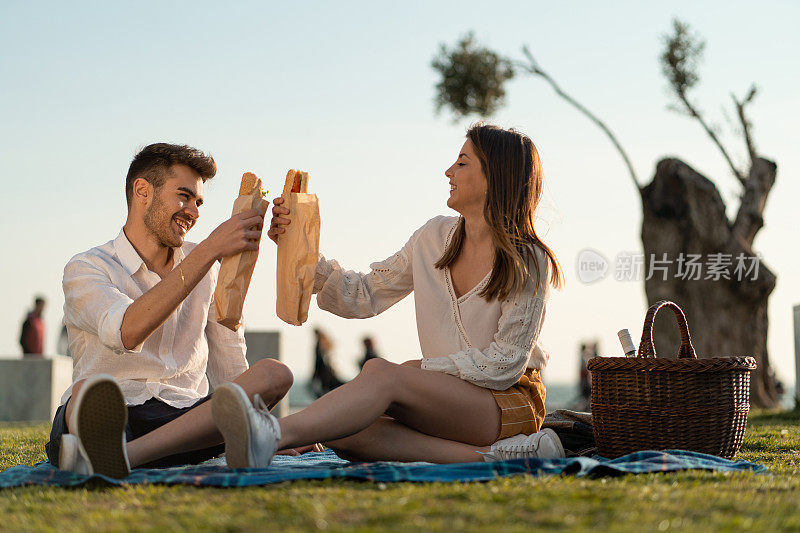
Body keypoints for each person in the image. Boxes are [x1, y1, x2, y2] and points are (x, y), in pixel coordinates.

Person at [212, 124, 566, 467]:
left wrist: (418, 370)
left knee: (378, 373)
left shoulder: (529, 258)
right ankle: (505, 455)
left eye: (462, 162)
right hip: (443, 402)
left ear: (496, 176)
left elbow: (504, 363)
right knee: (344, 431)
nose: (448, 171)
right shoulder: (433, 237)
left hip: (506, 403)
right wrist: (300, 253)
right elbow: (364, 295)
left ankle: (270, 434)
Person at [48, 143, 293, 479]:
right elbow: (126, 331)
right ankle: (100, 441)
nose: (193, 211)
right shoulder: (88, 267)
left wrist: (267, 428)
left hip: (185, 423)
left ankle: (119, 457)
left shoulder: (209, 269)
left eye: (198, 202)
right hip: (112, 412)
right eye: (184, 196)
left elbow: (230, 366)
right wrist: (209, 250)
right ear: (142, 191)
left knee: (275, 374)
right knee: (86, 396)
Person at [310, 328, 344, 398]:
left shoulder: (319, 345)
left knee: (323, 391)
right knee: (327, 390)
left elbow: (318, 360)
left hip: (323, 372)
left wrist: (315, 372)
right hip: (327, 372)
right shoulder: (324, 345)